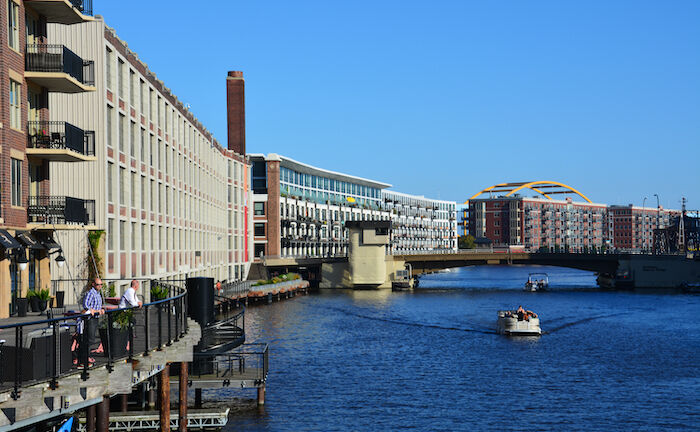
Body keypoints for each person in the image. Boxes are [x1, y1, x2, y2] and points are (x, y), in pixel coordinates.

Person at [77, 278, 105, 364]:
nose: (99, 286)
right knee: (90, 338)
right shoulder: (90, 293)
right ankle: (84, 358)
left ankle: (86, 356)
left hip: (96, 317)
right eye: (98, 284)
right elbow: (86, 305)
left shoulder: (98, 293)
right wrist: (96, 311)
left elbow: (97, 305)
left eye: (101, 284)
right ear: (93, 284)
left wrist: (101, 309)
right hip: (90, 318)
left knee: (92, 338)